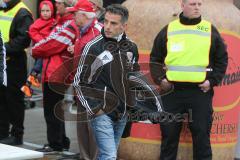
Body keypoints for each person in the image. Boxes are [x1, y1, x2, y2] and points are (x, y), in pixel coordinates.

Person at [150, 0, 228, 159]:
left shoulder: (208, 29)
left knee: (202, 137)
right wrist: (160, 80)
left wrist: (211, 82)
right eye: (193, 4)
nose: (197, 7)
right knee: (169, 136)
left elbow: (222, 59)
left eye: (199, 4)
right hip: (171, 92)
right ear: (182, 5)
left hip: (199, 92)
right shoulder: (170, 29)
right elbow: (155, 58)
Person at [73, 4, 141, 159]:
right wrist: (96, 109)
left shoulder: (131, 47)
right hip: (101, 112)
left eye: (114, 23)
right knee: (109, 155)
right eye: (106, 21)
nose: (107, 26)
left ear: (124, 26)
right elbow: (79, 82)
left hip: (122, 113)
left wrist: (133, 106)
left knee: (108, 155)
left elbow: (133, 78)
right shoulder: (93, 47)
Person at [32, 0, 77, 153]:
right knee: (56, 110)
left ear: (67, 4)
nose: (55, 5)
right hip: (52, 71)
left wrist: (35, 50)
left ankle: (55, 144)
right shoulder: (61, 21)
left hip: (56, 73)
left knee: (51, 111)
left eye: (58, 3)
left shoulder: (69, 23)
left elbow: (51, 44)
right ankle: (61, 141)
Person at [67, 0, 102, 159]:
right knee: (82, 128)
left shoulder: (97, 32)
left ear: (84, 15)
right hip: (81, 88)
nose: (73, 16)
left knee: (93, 129)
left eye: (75, 13)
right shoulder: (83, 31)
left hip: (93, 90)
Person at [0, 0, 33, 145]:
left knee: (14, 100)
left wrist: (2, 48)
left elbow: (23, 40)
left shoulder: (23, 12)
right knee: (2, 99)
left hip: (14, 63)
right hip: (2, 62)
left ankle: (16, 134)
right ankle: (2, 132)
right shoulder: (3, 8)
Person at [21, 0, 55, 97]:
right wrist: (43, 41)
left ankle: (28, 84)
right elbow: (32, 32)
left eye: (47, 11)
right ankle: (28, 84)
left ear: (52, 11)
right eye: (43, 11)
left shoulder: (54, 22)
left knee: (40, 66)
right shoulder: (37, 23)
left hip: (48, 49)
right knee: (38, 65)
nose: (45, 13)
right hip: (41, 49)